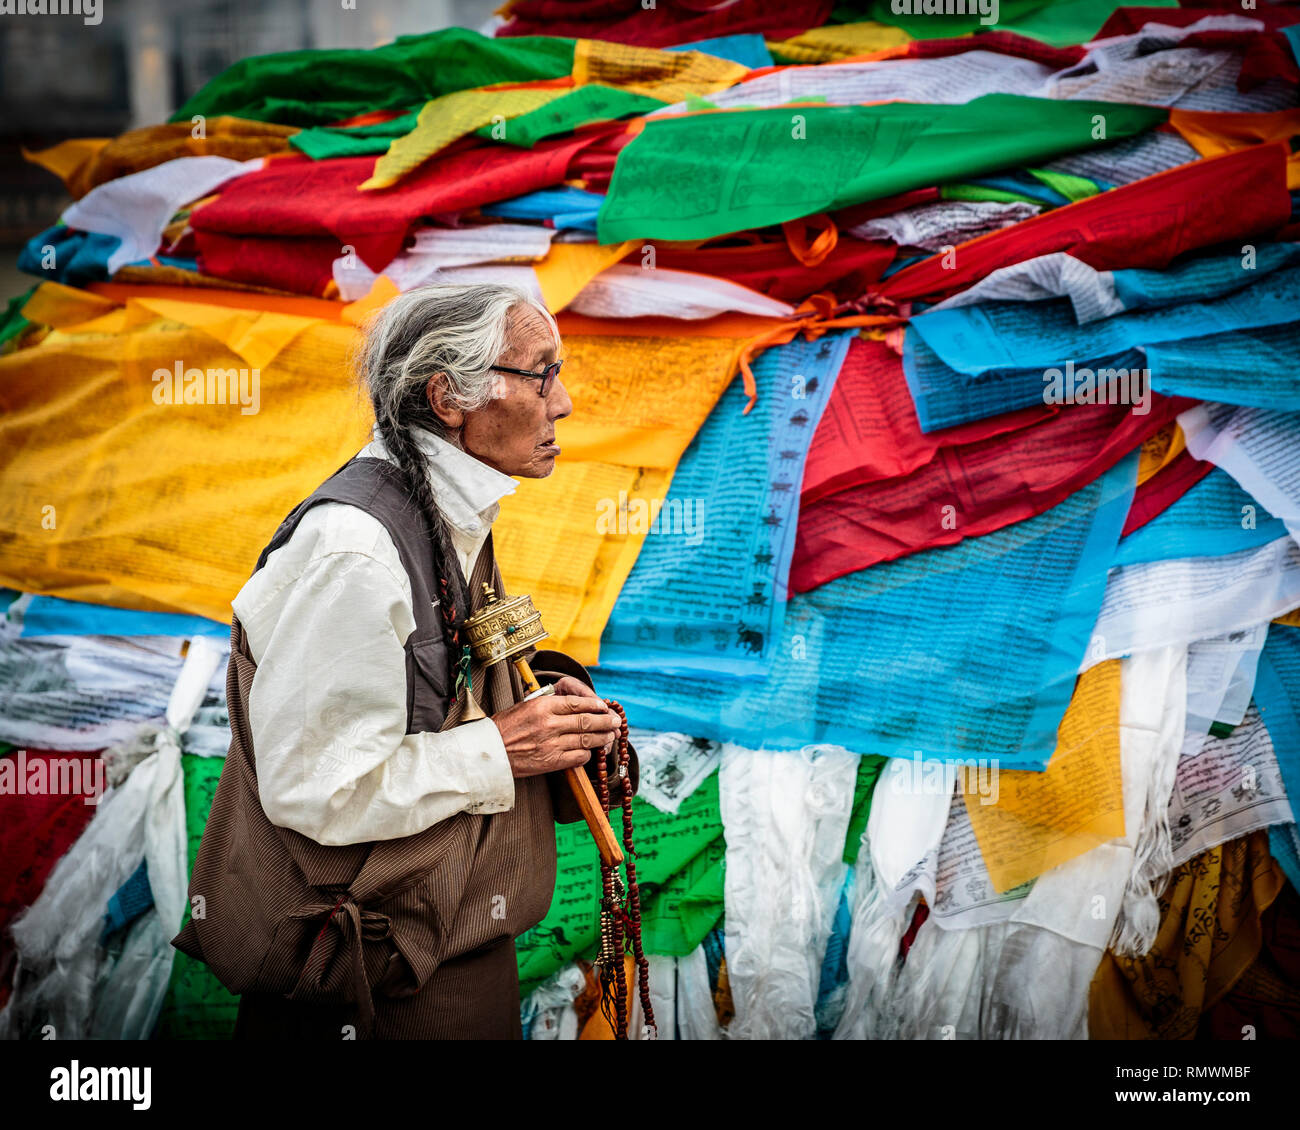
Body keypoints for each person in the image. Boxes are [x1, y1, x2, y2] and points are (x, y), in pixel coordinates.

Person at [173, 283, 636, 1039]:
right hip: (373, 985)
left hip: (447, 946)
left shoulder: (451, 509)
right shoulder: (354, 553)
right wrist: (501, 748)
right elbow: (316, 786)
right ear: (448, 396)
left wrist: (552, 717)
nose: (564, 403)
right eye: (542, 373)